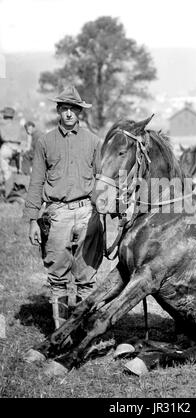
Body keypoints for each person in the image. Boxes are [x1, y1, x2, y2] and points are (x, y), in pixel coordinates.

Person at [23, 85, 103, 329]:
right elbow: (36, 181)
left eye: (73, 109)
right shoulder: (45, 142)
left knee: (86, 277)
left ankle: (81, 333)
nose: (69, 113)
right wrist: (32, 220)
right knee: (57, 277)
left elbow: (102, 179)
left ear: (80, 112)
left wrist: (106, 215)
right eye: (64, 108)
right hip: (56, 214)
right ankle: (61, 333)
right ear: (58, 110)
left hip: (87, 213)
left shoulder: (93, 141)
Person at [0, 107, 23, 194]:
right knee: (12, 169)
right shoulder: (17, 125)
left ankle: (8, 190)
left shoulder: (2, 124)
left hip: (7, 147)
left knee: (5, 170)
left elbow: (2, 137)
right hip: (17, 149)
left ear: (5, 115)